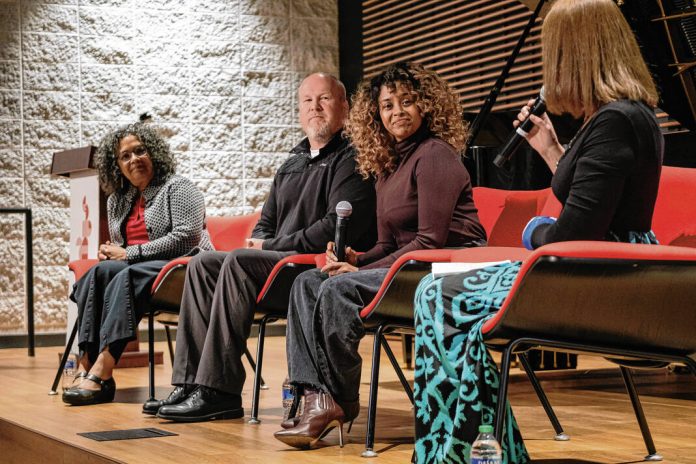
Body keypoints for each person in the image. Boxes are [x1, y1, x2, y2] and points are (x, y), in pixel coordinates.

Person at [413, 0, 664, 462]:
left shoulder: (615, 122)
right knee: (443, 294)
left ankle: (461, 453)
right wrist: (551, 150)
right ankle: (471, 450)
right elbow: (594, 203)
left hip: (602, 277)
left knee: (436, 295)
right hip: (604, 266)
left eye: (554, 53)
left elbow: (574, 237)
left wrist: (534, 231)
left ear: (575, 55)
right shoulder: (623, 116)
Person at [274, 62, 487, 449]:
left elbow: (429, 242)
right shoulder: (389, 165)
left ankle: (338, 400)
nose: (397, 112)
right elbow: (388, 246)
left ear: (426, 105)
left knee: (338, 290)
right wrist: (356, 259)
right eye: (387, 105)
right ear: (376, 114)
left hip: (445, 272)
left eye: (407, 101)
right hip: (408, 266)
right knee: (307, 282)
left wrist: (357, 272)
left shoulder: (434, 155)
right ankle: (313, 395)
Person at [152, 73, 377, 421]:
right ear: (299, 110)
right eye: (307, 101)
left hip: (310, 267)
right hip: (275, 264)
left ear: (344, 107)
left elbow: (335, 226)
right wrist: (263, 241)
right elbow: (265, 221)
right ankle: (190, 382)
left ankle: (219, 390)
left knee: (239, 261)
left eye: (324, 99)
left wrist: (270, 245)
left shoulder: (352, 158)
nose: (315, 107)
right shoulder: (293, 161)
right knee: (202, 263)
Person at [63, 123, 213, 406]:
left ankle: (104, 368)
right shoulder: (118, 200)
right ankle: (87, 363)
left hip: (183, 269)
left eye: (140, 151)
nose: (134, 159)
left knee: (127, 275)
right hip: (143, 270)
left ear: (153, 153)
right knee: (98, 273)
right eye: (125, 156)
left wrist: (129, 253)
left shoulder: (179, 187)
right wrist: (112, 253)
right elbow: (123, 250)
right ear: (117, 166)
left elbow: (186, 238)